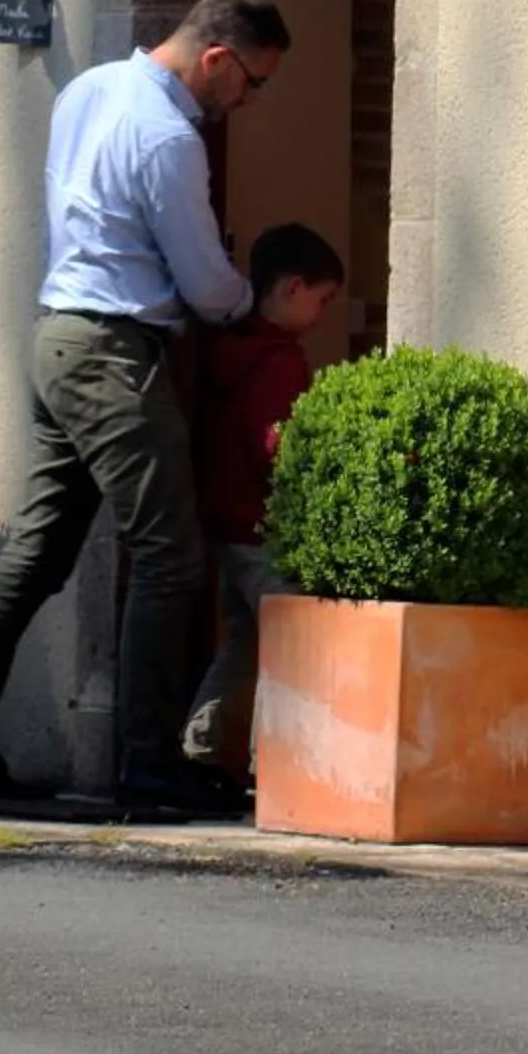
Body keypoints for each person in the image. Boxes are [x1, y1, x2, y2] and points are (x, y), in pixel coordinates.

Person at [0, 0, 288, 815]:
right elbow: (200, 276)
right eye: (252, 83)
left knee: (39, 549)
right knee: (170, 554)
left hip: (60, 333)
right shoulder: (168, 137)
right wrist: (248, 312)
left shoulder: (90, 90)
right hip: (115, 350)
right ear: (218, 58)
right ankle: (149, 764)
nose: (248, 102)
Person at [181, 222, 345, 784]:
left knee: (245, 642)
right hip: (262, 528)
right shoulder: (281, 362)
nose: (322, 316)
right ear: (293, 288)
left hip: (224, 528)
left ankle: (204, 743)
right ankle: (272, 764)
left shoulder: (224, 349)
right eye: (322, 299)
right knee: (291, 645)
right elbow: (276, 443)